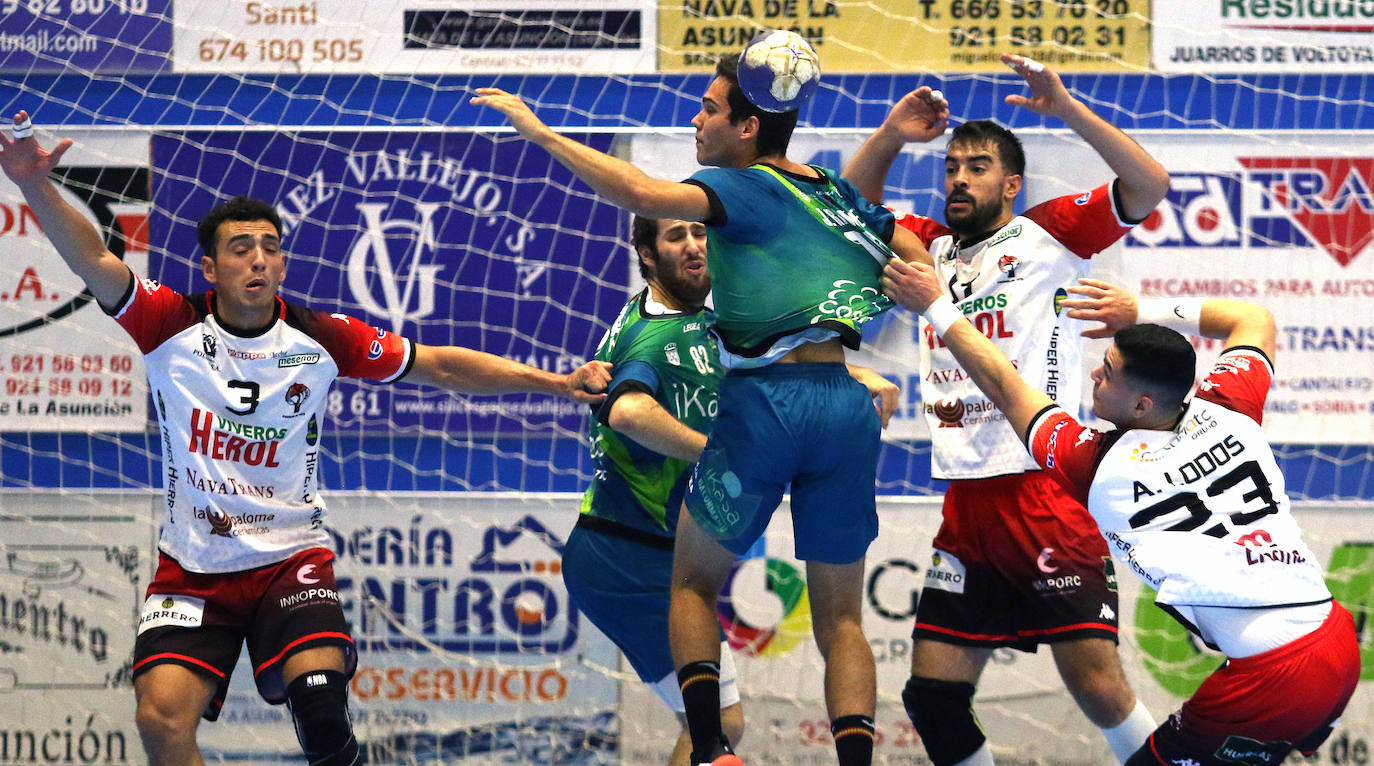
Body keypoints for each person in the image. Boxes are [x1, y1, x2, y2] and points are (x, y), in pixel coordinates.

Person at [0, 111, 612, 766]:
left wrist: (554, 381)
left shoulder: (320, 338)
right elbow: (94, 258)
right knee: (160, 720)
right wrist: (35, 184)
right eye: (241, 248)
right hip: (193, 569)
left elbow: (439, 364)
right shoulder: (166, 324)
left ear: (283, 262)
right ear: (210, 267)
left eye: (269, 246)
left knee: (322, 715)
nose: (258, 258)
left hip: (291, 561)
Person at [474, 45, 930, 766]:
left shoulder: (740, 185)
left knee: (691, 585)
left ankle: (713, 749)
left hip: (765, 406)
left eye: (711, 108)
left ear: (747, 128)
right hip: (842, 406)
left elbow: (641, 192)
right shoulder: (833, 197)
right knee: (844, 619)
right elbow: (911, 254)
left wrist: (541, 133)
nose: (698, 119)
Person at [883, 260, 1361, 765]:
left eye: (1107, 372)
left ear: (1141, 405)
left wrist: (935, 305)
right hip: (1334, 637)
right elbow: (1254, 318)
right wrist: (1140, 311)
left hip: (1271, 673)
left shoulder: (1100, 466)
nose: (1095, 373)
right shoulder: (1230, 408)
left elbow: (1003, 384)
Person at [843, 53, 1171, 765]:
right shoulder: (927, 249)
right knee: (932, 698)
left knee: (1097, 688)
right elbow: (853, 205)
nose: (960, 177)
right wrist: (895, 134)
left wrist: (1068, 109)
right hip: (967, 506)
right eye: (953, 166)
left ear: (1012, 183)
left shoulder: (1046, 235)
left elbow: (1149, 186)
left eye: (978, 166)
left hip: (1042, 489)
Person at [564, 214, 900, 766]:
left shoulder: (712, 317)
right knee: (720, 723)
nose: (696, 247)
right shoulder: (654, 329)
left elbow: (761, 364)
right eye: (677, 237)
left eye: (702, 234)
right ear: (646, 256)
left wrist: (855, 376)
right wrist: (715, 452)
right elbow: (625, 411)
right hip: (624, 554)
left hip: (653, 549)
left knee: (721, 726)